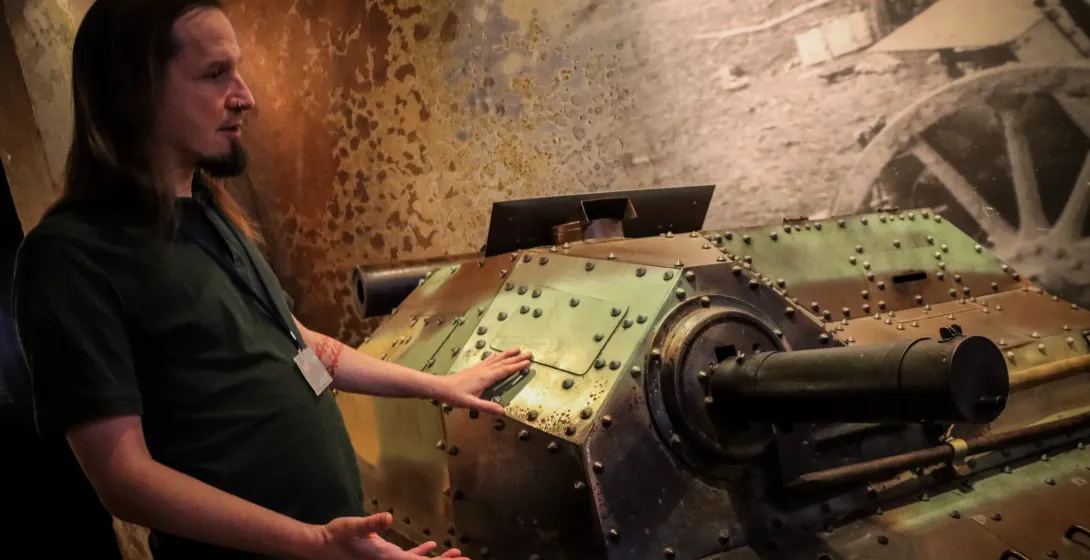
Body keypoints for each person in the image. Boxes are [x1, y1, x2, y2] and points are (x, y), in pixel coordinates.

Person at [11, 1, 532, 559]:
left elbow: (295, 341)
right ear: (132, 88)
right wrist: (312, 543)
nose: (245, 96)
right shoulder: (71, 254)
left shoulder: (210, 210)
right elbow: (124, 479)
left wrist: (440, 386)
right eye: (215, 74)